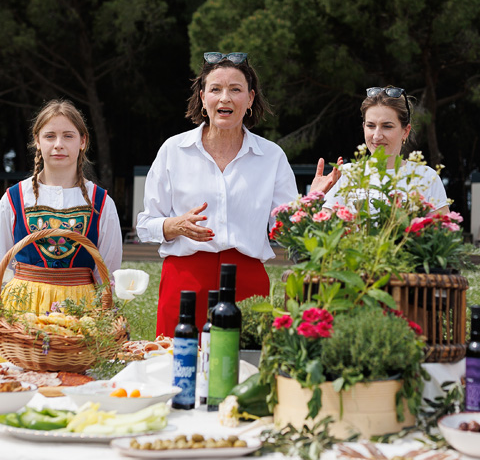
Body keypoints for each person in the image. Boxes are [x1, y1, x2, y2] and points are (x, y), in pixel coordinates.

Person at [137, 52, 338, 336]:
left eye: (235, 90)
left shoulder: (271, 157)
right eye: (216, 89)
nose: (225, 98)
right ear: (203, 97)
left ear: (251, 98)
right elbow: (145, 225)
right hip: (184, 282)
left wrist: (308, 203)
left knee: (245, 369)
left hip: (247, 283)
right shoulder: (173, 150)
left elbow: (286, 231)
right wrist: (174, 225)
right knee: (177, 368)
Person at [0, 99, 123, 320]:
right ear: (37, 141)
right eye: (50, 136)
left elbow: (107, 274)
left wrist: (102, 320)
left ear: (83, 141)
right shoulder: (13, 199)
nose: (58, 144)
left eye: (68, 136)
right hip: (22, 311)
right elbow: (0, 269)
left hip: (81, 313)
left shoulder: (101, 202)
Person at [322, 86, 448, 210]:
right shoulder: (344, 175)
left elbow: (442, 229)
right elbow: (323, 228)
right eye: (371, 126)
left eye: (387, 126)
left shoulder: (426, 178)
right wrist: (313, 198)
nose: (377, 136)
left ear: (405, 131)